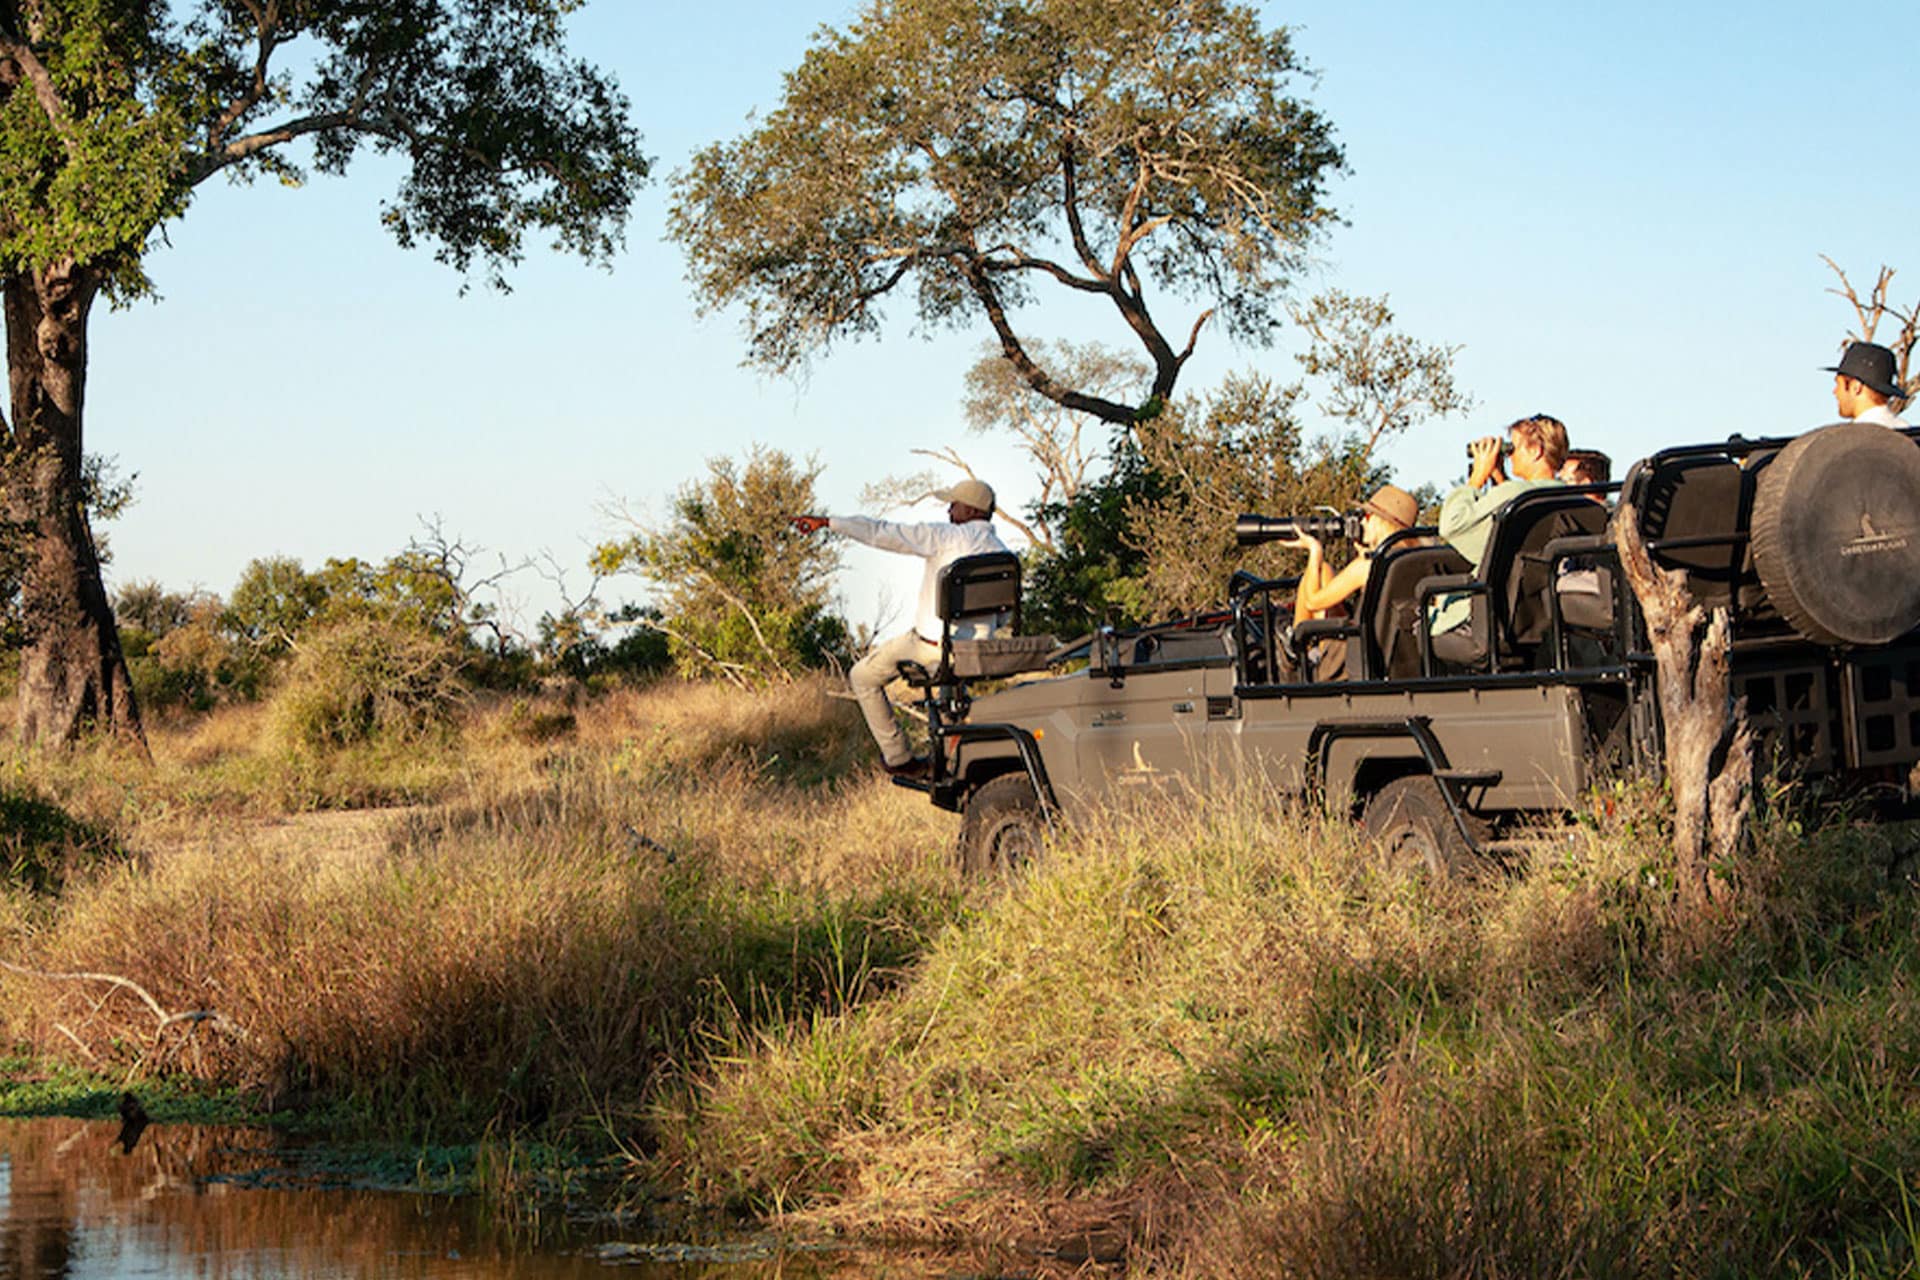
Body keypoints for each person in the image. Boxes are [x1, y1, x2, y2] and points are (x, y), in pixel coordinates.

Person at [790, 478, 1009, 777]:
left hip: (932, 648)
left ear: (969, 511)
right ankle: (954, 757)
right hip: (975, 654)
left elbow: (882, 533)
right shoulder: (1004, 554)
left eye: (954, 505)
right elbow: (1004, 616)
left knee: (862, 676)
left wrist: (829, 522)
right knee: (951, 687)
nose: (949, 510)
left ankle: (898, 758)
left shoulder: (945, 537)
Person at [1428, 413, 1569, 643]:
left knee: (1422, 616)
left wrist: (1477, 477)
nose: (1509, 455)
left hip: (1492, 612)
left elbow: (1451, 525)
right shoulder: (1570, 498)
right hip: (1536, 609)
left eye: (1512, 447)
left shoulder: (1515, 495)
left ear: (1535, 451)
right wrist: (1499, 477)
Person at [1278, 484, 1417, 680]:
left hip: (1354, 656)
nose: (1363, 523)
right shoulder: (1414, 561)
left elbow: (1312, 602)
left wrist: (1314, 552)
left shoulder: (1367, 566)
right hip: (1398, 654)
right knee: (1326, 574)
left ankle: (1296, 650)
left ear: (1380, 522)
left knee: (1322, 569)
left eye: (1367, 517)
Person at [1826, 341, 1910, 428]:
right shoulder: (1907, 431)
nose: (1835, 392)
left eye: (1839, 384)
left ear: (1856, 387)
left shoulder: (1851, 437)